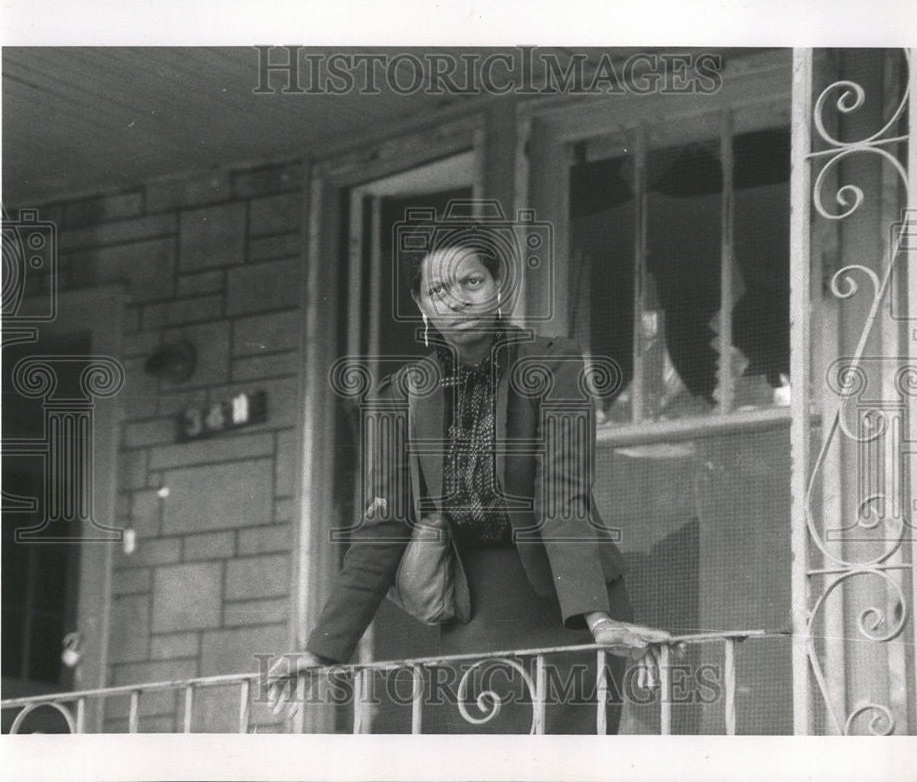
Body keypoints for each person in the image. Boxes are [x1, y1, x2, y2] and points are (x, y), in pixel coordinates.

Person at [268, 226, 679, 733]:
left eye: (471, 282)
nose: (458, 300)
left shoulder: (554, 363)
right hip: (475, 611)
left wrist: (598, 620)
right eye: (439, 291)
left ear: (498, 285)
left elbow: (562, 496)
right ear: (421, 304)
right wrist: (323, 650)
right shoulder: (400, 396)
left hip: (569, 602)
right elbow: (382, 529)